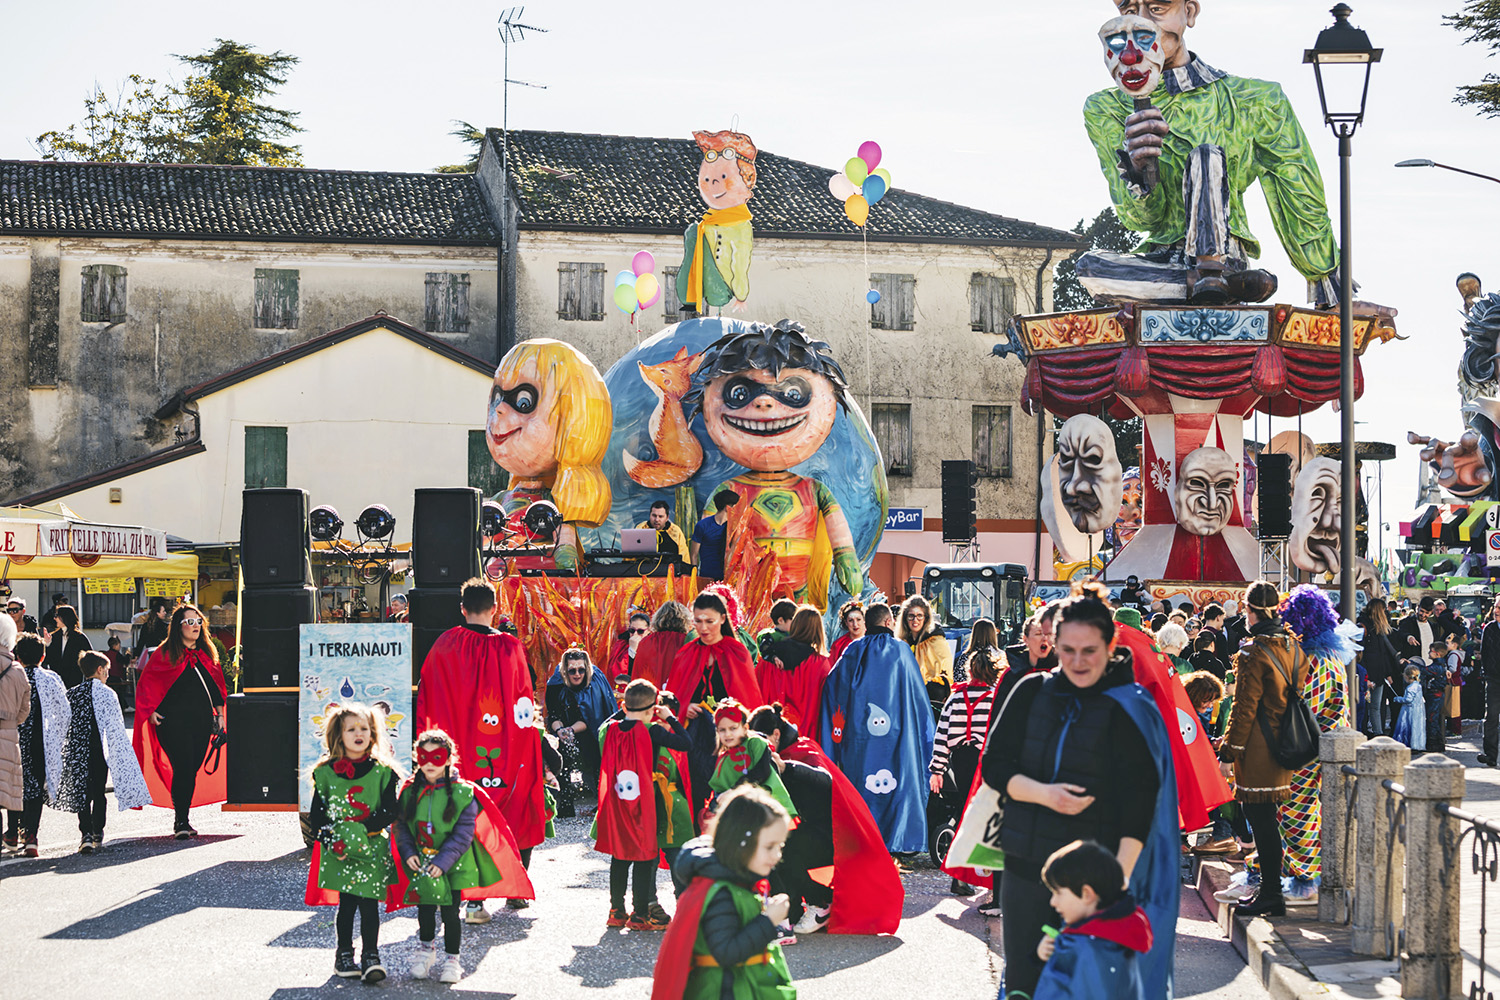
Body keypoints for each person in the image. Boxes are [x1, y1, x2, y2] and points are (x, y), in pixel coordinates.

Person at [978, 586, 1177, 1000]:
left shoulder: (1129, 707)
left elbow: (1141, 801)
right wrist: (1043, 795)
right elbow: (995, 764)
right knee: (1024, 982)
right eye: (1067, 649)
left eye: (1089, 650)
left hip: (1092, 885)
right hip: (1025, 867)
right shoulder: (1030, 690)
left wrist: (1114, 887)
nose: (1077, 661)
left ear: (1110, 645)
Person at [416, 577, 544, 921]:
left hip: (459, 753)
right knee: (514, 810)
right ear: (494, 609)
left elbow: (428, 696)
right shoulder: (510, 647)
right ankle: (512, 888)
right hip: (504, 750)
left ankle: (472, 898)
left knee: (464, 819)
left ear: (462, 609)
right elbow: (523, 704)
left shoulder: (444, 645)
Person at [745, 704, 903, 938]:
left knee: (783, 851)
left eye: (762, 739)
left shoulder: (803, 751)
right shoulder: (776, 755)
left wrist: (787, 768)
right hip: (813, 829)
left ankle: (820, 903)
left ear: (776, 735)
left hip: (836, 835)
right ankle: (794, 911)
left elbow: (825, 783)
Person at [392, 728, 533, 984]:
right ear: (416, 757)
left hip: (454, 865)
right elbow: (401, 825)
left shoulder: (464, 793)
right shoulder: (410, 791)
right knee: (424, 909)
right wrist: (408, 852)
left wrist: (442, 862)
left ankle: (452, 960)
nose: (430, 764)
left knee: (450, 912)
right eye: (424, 757)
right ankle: (425, 951)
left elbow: (463, 834)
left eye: (437, 757)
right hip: (422, 861)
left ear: (448, 758)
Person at [653, 785, 797, 1000]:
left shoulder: (737, 882)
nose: (777, 855)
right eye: (769, 847)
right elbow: (726, 952)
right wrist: (768, 921)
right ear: (741, 842)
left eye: (780, 846)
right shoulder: (721, 892)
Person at [1215, 581, 1307, 917]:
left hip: (1257, 748)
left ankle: (1271, 894)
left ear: (1250, 610)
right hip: (1284, 742)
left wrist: (1228, 752)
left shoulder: (1253, 652)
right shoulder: (1293, 646)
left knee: (1263, 823)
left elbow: (1243, 709)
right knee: (1269, 823)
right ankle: (1270, 893)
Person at [821, 603, 935, 856]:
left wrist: (839, 730)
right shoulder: (902, 651)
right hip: (899, 738)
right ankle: (900, 841)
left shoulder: (852, 651)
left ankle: (862, 838)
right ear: (888, 623)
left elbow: (832, 688)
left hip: (860, 741)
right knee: (901, 783)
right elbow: (918, 700)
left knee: (861, 785)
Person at [305, 702, 400, 983]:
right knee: (346, 904)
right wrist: (332, 840)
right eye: (352, 729)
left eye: (365, 729)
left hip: (371, 846)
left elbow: (389, 811)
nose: (359, 733)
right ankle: (343, 954)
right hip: (339, 850)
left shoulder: (384, 772)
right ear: (339, 735)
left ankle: (371, 955)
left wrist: (361, 831)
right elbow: (317, 816)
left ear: (373, 734)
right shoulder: (324, 773)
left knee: (370, 905)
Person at [596, 678, 687, 931]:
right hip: (645, 805)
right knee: (645, 858)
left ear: (624, 706)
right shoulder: (653, 730)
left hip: (618, 804)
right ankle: (639, 914)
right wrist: (670, 718)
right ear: (653, 708)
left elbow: (608, 723)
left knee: (620, 857)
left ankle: (616, 910)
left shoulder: (612, 729)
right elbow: (685, 743)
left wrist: (626, 710)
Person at [132, 604, 227, 838]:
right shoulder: (164, 654)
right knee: (183, 767)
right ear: (178, 626)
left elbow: (216, 688)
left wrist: (221, 716)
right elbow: (147, 685)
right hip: (172, 722)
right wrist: (151, 711)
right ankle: (181, 821)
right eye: (189, 622)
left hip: (201, 721)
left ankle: (182, 818)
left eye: (198, 622)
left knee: (192, 768)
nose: (195, 626)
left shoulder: (207, 653)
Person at [665, 591, 764, 816]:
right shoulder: (686, 653)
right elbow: (674, 696)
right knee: (697, 790)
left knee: (730, 791)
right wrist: (684, 706)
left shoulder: (737, 652)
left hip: (729, 737)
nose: (703, 628)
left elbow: (748, 698)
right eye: (698, 621)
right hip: (695, 738)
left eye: (709, 621)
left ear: (722, 618)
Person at [1032, 839, 1153, 1000]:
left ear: (1087, 894)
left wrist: (1056, 957)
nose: (1053, 902)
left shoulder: (1085, 947)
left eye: (1058, 893)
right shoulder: (1111, 939)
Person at [54, 651, 150, 852]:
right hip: (99, 750)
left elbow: (63, 724)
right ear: (99, 670)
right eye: (106, 671)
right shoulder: (108, 694)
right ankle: (98, 830)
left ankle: (85, 833)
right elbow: (115, 726)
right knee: (98, 791)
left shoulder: (72, 693)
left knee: (82, 792)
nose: (107, 675)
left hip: (77, 750)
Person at [931, 646, 999, 899]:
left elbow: (942, 736)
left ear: (969, 670)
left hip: (960, 759)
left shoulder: (955, 698)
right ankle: (987, 875)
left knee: (964, 812)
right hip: (985, 760)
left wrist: (937, 769)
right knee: (986, 815)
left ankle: (959, 875)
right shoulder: (994, 698)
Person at [4, 632, 66, 857]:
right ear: (43, 656)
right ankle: (31, 836)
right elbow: (64, 711)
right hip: (41, 741)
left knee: (14, 787)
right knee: (35, 788)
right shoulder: (51, 678)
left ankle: (11, 833)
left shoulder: (10, 676)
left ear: (17, 656)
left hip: (13, 739)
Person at [546, 648, 618, 818]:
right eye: (572, 670)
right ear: (565, 671)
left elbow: (592, 717)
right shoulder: (555, 685)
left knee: (595, 754)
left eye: (581, 670)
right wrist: (561, 731)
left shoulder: (594, 684)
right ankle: (565, 802)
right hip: (563, 725)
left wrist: (571, 730)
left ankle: (603, 803)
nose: (577, 674)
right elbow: (554, 713)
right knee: (560, 752)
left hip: (588, 729)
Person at [709, 700, 798, 821]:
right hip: (741, 813)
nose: (728, 734)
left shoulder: (755, 743)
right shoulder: (724, 757)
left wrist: (733, 791)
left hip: (766, 808)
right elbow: (720, 788)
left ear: (745, 727)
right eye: (722, 730)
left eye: (733, 728)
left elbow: (761, 772)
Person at [756, 606, 832, 735]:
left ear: (795, 624)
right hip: (806, 736)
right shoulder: (821, 664)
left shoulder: (769, 659)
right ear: (818, 631)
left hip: (771, 734)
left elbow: (756, 692)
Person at [898, 594, 953, 713]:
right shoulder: (902, 643)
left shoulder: (936, 641)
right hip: (906, 700)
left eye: (919, 616)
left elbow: (945, 671)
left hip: (931, 702)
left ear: (926, 618)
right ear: (905, 618)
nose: (915, 620)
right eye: (911, 616)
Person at [1361, 600, 1402, 737]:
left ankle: (1377, 733)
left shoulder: (1373, 628)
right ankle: (1375, 733)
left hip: (1376, 673)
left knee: (1373, 706)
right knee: (1371, 707)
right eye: (1384, 610)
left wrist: (1387, 673)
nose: (1386, 613)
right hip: (1371, 674)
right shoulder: (1367, 628)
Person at [0, 615, 26, 830]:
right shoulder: (18, 671)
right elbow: (23, 712)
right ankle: (11, 834)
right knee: (6, 792)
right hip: (9, 735)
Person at [634, 602, 692, 688]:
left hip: (649, 696)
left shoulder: (645, 642)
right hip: (677, 694)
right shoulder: (687, 641)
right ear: (685, 620)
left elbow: (638, 673)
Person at [690, 489, 739, 582]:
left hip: (727, 579)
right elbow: (694, 555)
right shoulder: (702, 525)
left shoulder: (734, 528)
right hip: (706, 577)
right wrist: (695, 578)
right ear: (728, 507)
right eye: (736, 506)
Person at [43, 605, 91, 688]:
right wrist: (47, 644)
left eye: (57, 616)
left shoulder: (79, 637)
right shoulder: (53, 636)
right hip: (56, 682)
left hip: (74, 682)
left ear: (64, 617)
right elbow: (46, 660)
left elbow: (89, 659)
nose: (55, 619)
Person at [639, 500, 691, 564]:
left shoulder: (675, 531)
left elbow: (684, 557)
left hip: (669, 571)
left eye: (660, 516)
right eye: (654, 516)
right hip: (644, 571)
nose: (657, 520)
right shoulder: (641, 528)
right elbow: (630, 553)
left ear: (667, 518)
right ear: (650, 515)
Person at [1480, 601, 1500, 767]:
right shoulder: (1489, 628)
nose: (1497, 611)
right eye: (1496, 607)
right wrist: (1486, 675)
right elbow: (1485, 652)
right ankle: (1490, 755)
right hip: (1493, 679)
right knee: (1491, 717)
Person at [610, 610, 654, 683]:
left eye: (640, 631)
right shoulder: (621, 644)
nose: (635, 634)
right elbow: (615, 670)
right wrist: (632, 651)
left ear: (648, 631)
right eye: (632, 630)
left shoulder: (653, 646)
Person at [959, 618, 1004, 685]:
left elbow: (958, 679)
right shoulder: (1000, 656)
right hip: (994, 694)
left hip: (969, 693)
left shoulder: (966, 656)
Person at [1392, 665, 1426, 749]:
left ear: (1407, 676)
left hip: (1409, 710)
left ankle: (1408, 744)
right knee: (1417, 728)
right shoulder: (1418, 685)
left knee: (1407, 727)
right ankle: (1418, 744)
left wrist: (1398, 699)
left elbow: (1408, 699)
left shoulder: (1410, 687)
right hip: (1418, 710)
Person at [828, 600, 865, 665]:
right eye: (851, 620)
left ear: (864, 620)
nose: (855, 624)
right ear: (846, 622)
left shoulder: (873, 640)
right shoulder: (838, 645)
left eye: (858, 619)